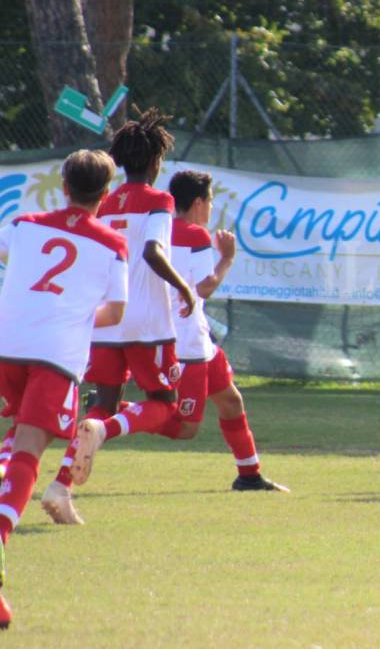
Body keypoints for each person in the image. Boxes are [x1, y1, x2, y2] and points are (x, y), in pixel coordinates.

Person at [40, 108, 196, 525]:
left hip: (105, 321)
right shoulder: (159, 200)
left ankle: (60, 487)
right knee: (166, 406)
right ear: (155, 161)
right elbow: (152, 250)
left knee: (103, 404)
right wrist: (182, 287)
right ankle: (105, 432)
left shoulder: (103, 202)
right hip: (147, 322)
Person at [0, 150, 128, 628]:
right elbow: (114, 313)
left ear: (64, 186)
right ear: (106, 195)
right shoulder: (113, 243)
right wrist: (73, 316)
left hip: (7, 342)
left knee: (15, 439)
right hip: (56, 353)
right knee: (32, 447)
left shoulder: (25, 223)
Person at [153, 169, 287, 491]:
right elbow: (206, 287)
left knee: (230, 401)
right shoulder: (194, 234)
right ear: (199, 202)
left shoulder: (160, 231)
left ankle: (249, 475)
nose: (211, 208)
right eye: (210, 202)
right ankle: (115, 416)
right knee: (185, 427)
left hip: (194, 336)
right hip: (186, 344)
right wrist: (227, 258)